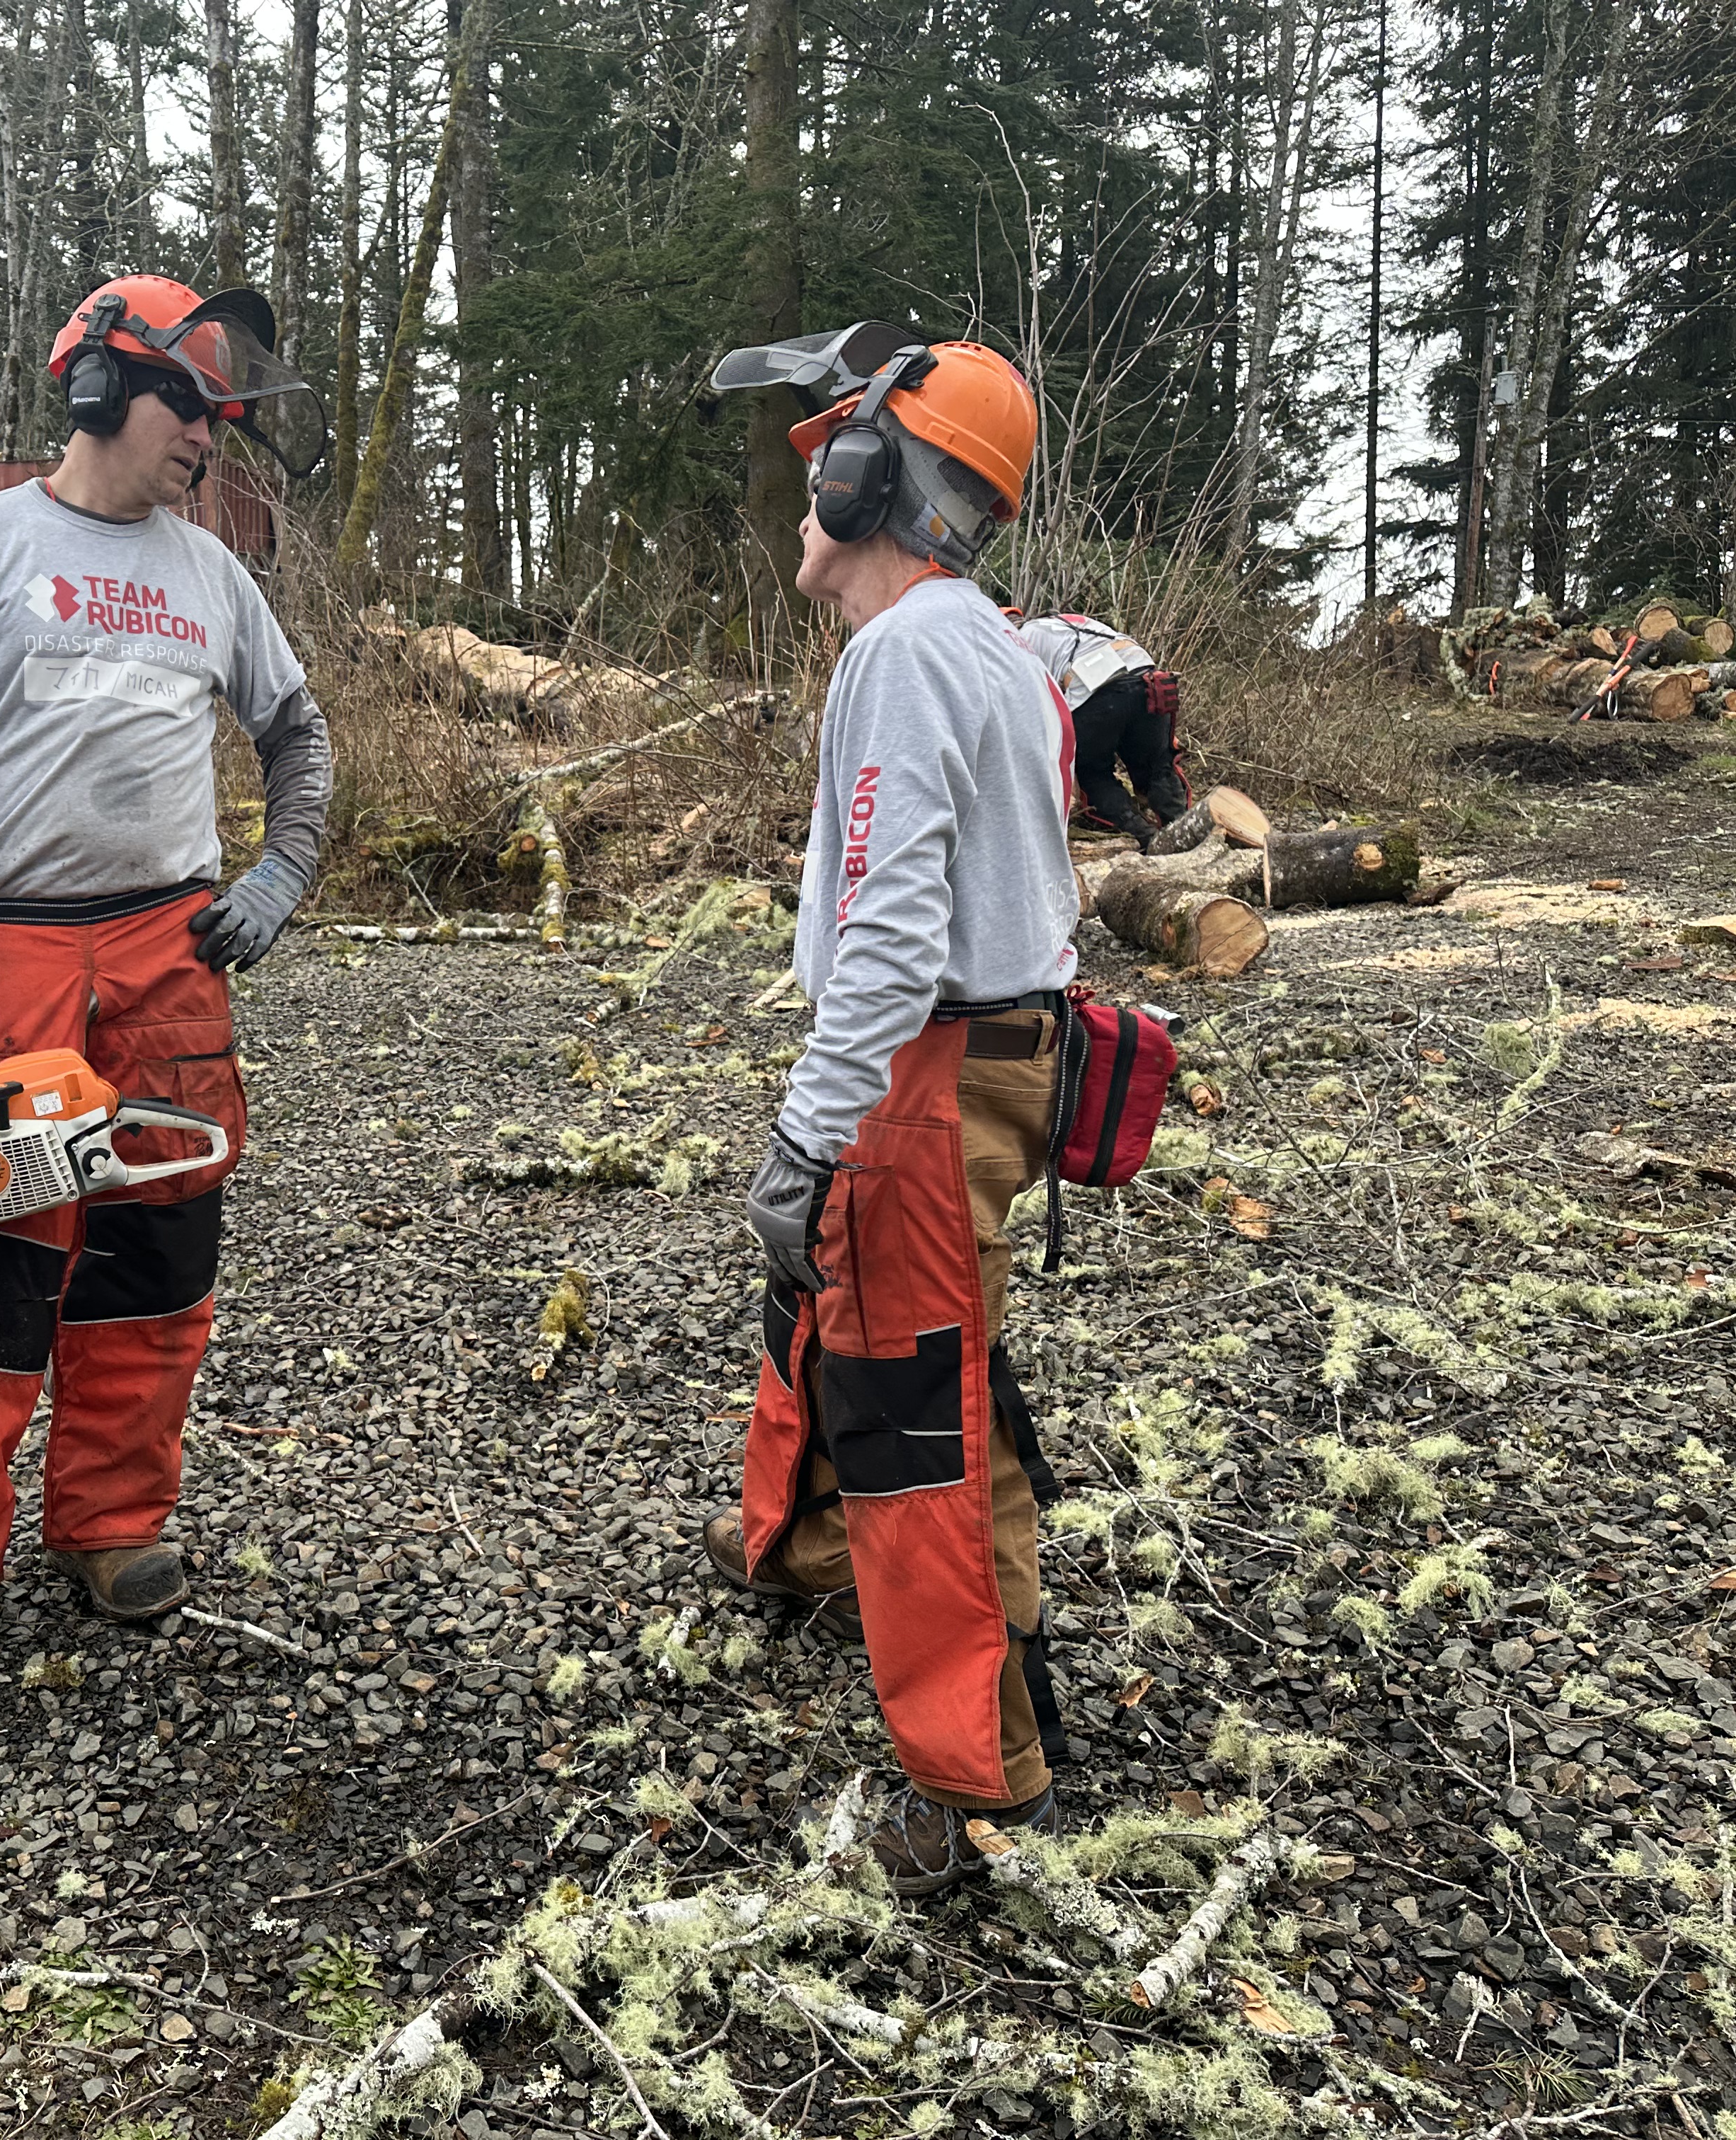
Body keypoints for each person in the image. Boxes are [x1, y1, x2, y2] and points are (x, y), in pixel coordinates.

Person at [0, 275, 333, 1672]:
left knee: (155, 1245)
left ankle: (113, 1519)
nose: (207, 441)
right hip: (17, 943)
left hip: (167, 950)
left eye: (224, 418)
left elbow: (301, 739)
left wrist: (279, 873)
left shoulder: (212, 572)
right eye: (194, 406)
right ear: (107, 385)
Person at [699, 332, 1079, 1892]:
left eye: (825, 461)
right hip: (967, 1060)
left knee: (920, 1406)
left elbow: (895, 928)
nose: (805, 488)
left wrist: (811, 1125)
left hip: (924, 1070)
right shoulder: (993, 643)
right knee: (840, 1320)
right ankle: (797, 1551)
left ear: (877, 484)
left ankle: (979, 1764)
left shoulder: (908, 652)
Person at [1008, 608, 1187, 846]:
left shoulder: (1021, 638)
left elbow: (1027, 710)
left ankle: (1145, 839)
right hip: (1149, 679)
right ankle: (1184, 831)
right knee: (1157, 768)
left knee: (1093, 773)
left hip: (1097, 691)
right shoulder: (1067, 623)